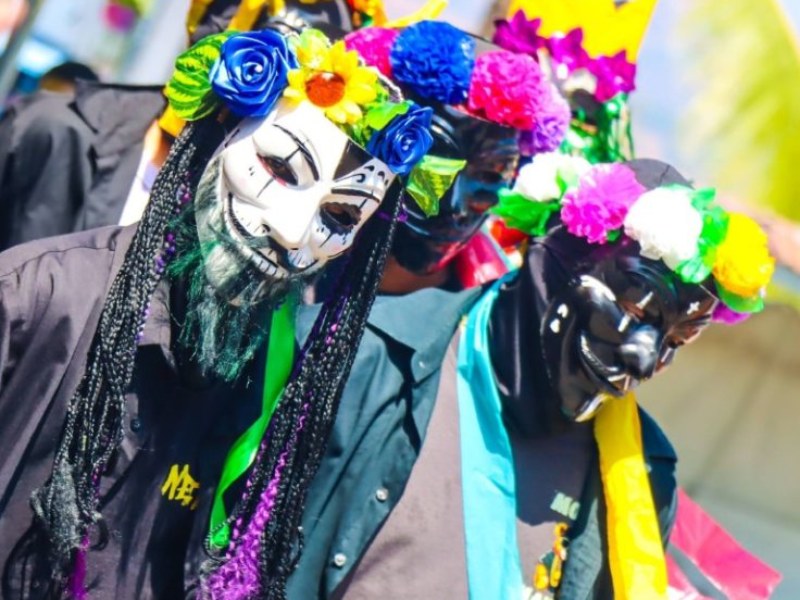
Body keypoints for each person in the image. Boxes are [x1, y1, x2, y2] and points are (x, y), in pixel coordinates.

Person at [0, 25, 440, 599]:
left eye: (338, 216)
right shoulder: (38, 296)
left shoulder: (273, 381)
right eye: (281, 170)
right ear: (220, 134)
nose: (292, 231)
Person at [287, 155, 775, 599]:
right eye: (632, 310)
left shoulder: (644, 479)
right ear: (552, 264)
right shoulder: (363, 358)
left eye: (676, 340)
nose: (646, 361)